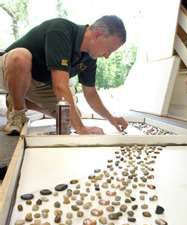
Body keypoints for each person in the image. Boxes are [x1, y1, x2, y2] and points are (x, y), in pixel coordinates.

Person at [0, 15, 128, 135]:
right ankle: (17, 113)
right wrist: (81, 128)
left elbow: (90, 93)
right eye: (109, 50)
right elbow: (60, 87)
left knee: (70, 115)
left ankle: (20, 100)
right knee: (20, 57)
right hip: (9, 71)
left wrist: (111, 118)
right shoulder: (61, 30)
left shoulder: (90, 57)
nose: (107, 56)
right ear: (98, 34)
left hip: (40, 83)